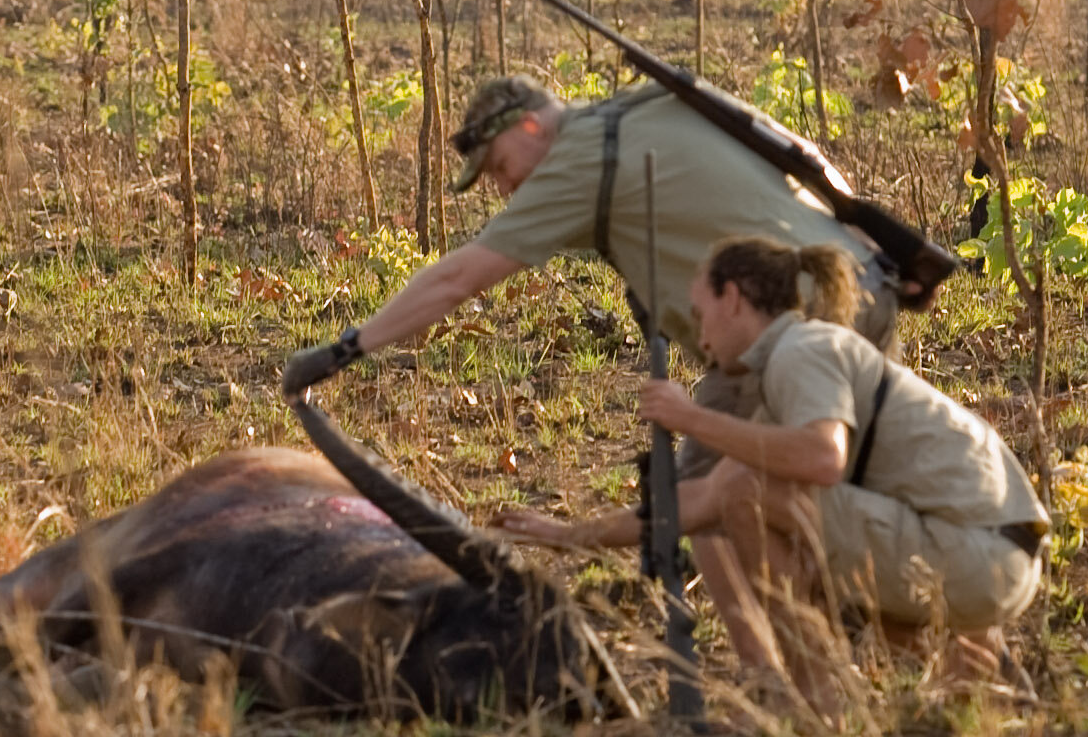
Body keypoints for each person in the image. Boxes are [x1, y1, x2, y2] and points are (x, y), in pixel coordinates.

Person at [499, 236, 1045, 688]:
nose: (702, 338)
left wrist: (692, 419)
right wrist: (569, 535)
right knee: (747, 498)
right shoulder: (782, 372)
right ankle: (976, 669)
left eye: (701, 315)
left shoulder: (802, 350)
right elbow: (700, 501)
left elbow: (822, 458)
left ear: (733, 298)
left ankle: (820, 703)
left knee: (751, 495)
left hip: (984, 556)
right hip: (991, 559)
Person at [282, 72, 902, 391]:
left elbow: (458, 279)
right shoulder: (641, 108)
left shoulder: (578, 160)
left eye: (499, 168)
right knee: (706, 501)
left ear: (529, 130)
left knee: (756, 506)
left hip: (805, 329)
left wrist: (345, 350)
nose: (504, 190)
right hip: (857, 283)